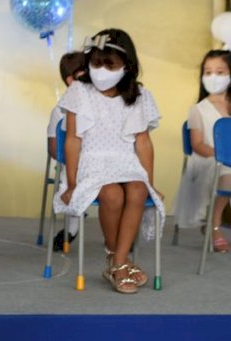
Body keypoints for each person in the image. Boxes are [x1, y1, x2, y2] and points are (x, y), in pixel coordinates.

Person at [54, 29, 164, 295]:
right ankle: (120, 261)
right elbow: (72, 140)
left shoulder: (138, 95)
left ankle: (116, 262)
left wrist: (149, 181)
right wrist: (71, 182)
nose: (101, 70)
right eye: (96, 64)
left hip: (125, 160)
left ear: (126, 67)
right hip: (92, 161)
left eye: (110, 65)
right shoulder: (79, 92)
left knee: (137, 190)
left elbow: (143, 142)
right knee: (112, 195)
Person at [173, 49, 231, 252]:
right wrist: (222, 156)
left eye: (220, 72)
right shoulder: (198, 109)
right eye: (208, 72)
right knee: (228, 173)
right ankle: (214, 226)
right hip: (207, 160)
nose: (213, 77)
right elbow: (197, 144)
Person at [47, 51, 87, 251]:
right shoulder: (60, 111)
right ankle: (71, 229)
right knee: (72, 179)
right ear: (70, 79)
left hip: (99, 160)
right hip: (72, 163)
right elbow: (54, 150)